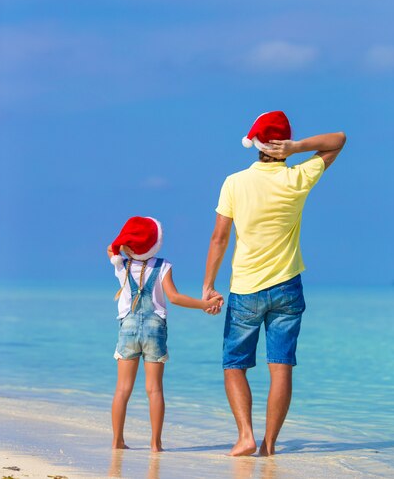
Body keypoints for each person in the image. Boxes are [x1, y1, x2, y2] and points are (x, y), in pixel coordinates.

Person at [202, 111, 346, 457]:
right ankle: (269, 446)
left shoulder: (234, 182)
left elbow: (219, 238)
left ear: (254, 144)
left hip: (246, 288)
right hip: (287, 287)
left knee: (234, 365)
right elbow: (338, 139)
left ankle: (245, 436)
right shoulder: (298, 178)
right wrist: (297, 148)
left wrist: (208, 285)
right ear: (281, 145)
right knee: (281, 366)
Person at [107, 215, 222, 452]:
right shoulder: (163, 266)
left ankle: (117, 440)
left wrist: (123, 248)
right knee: (155, 389)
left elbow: (110, 247)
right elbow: (175, 298)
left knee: (122, 389)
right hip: (155, 331)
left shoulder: (122, 264)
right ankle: (155, 443)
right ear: (154, 243)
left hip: (127, 329)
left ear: (129, 246)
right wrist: (204, 304)